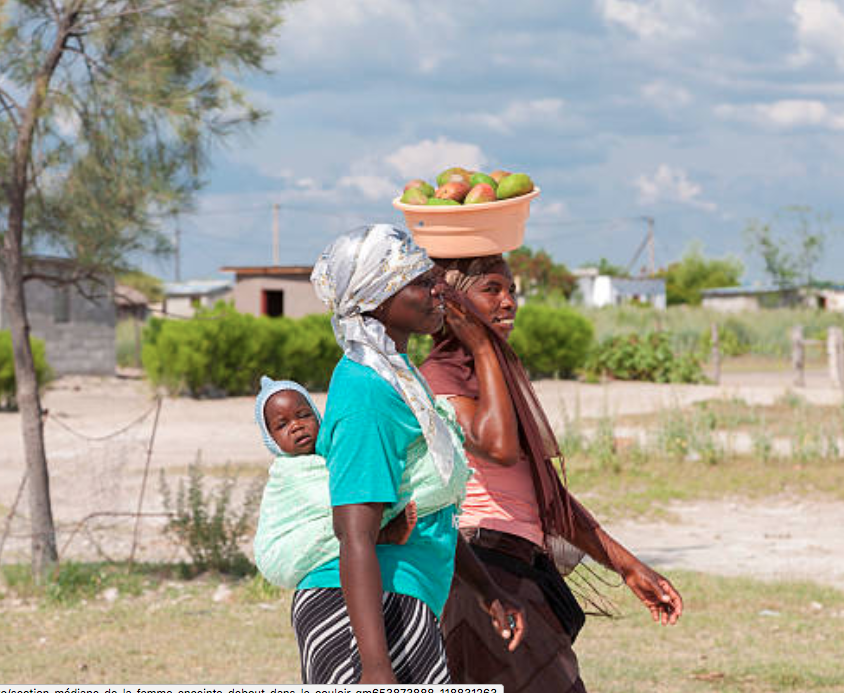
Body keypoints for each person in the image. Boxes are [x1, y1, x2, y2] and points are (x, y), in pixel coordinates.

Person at [420, 254, 684, 692]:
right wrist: (484, 348)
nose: (509, 302)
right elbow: (499, 449)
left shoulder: (492, 376)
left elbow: (547, 499)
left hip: (514, 569)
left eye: (512, 291)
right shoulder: (439, 377)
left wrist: (629, 567)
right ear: (453, 302)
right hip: (480, 573)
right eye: (491, 289)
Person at [293, 225, 525, 685]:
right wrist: (377, 667)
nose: (439, 288)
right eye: (420, 282)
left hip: (401, 596)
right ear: (378, 299)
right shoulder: (366, 392)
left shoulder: (400, 379)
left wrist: (487, 590)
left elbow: (426, 508)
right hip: (366, 610)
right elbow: (353, 533)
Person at [252, 375, 417, 590]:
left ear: (318, 416)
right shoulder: (288, 471)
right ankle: (382, 533)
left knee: (349, 510)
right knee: (348, 511)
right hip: (281, 552)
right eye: (282, 425)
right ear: (271, 439)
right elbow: (326, 498)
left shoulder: (330, 452)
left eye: (303, 415)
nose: (296, 426)